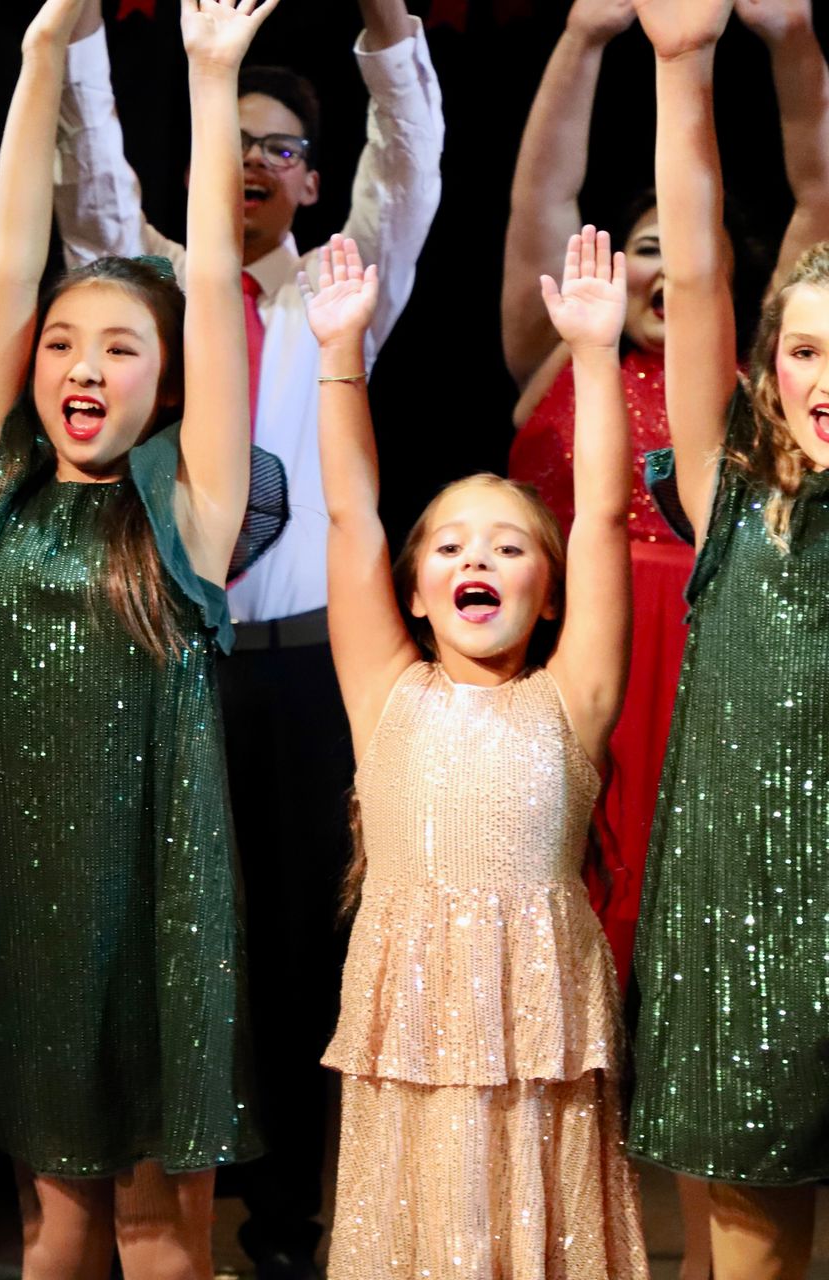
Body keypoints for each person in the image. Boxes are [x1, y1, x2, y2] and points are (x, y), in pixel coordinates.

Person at [50, 2, 443, 1270]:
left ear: (314, 182)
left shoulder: (342, 294)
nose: (258, 165)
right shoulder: (157, 291)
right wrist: (78, 32)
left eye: (283, 149)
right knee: (169, 937)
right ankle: (161, 1212)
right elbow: (92, 183)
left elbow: (411, 167)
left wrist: (389, 25)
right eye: (238, 144)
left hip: (310, 677)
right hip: (171, 666)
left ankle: (284, 1225)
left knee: (300, 943)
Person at [0, 0, 276, 1273]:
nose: (81, 363)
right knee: (50, 1221)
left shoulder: (190, 510)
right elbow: (11, 263)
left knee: (155, 1224)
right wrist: (38, 55)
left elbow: (212, 285)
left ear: (165, 382)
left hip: (155, 908)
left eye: (120, 348)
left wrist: (211, 79)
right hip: (22, 900)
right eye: (63, 343)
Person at [305, 231, 648, 1277]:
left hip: (539, 1032)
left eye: (508, 545)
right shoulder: (387, 692)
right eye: (451, 545)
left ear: (547, 593)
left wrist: (596, 354)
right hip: (408, 1027)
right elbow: (350, 512)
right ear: (415, 591)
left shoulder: (570, 700)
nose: (478, 558)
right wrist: (339, 353)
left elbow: (602, 516)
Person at [629, 0, 829, 1272]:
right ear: (771, 367)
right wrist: (680, 63)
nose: (828, 379)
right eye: (806, 350)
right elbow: (698, 269)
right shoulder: (730, 505)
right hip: (749, 930)